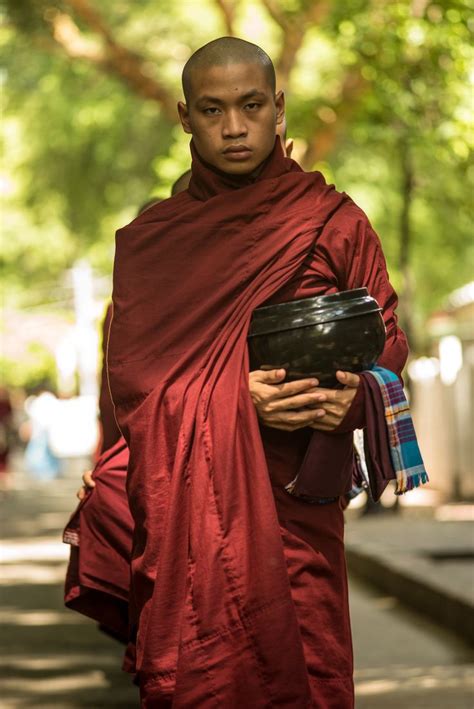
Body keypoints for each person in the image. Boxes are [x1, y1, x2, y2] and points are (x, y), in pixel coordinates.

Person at [88, 37, 412, 707]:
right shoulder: (154, 242)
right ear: (184, 117)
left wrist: (351, 401)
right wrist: (239, 396)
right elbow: (135, 392)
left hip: (297, 516)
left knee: (311, 682)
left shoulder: (334, 222)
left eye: (251, 105)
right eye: (212, 110)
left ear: (280, 108)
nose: (234, 127)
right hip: (193, 529)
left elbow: (388, 342)